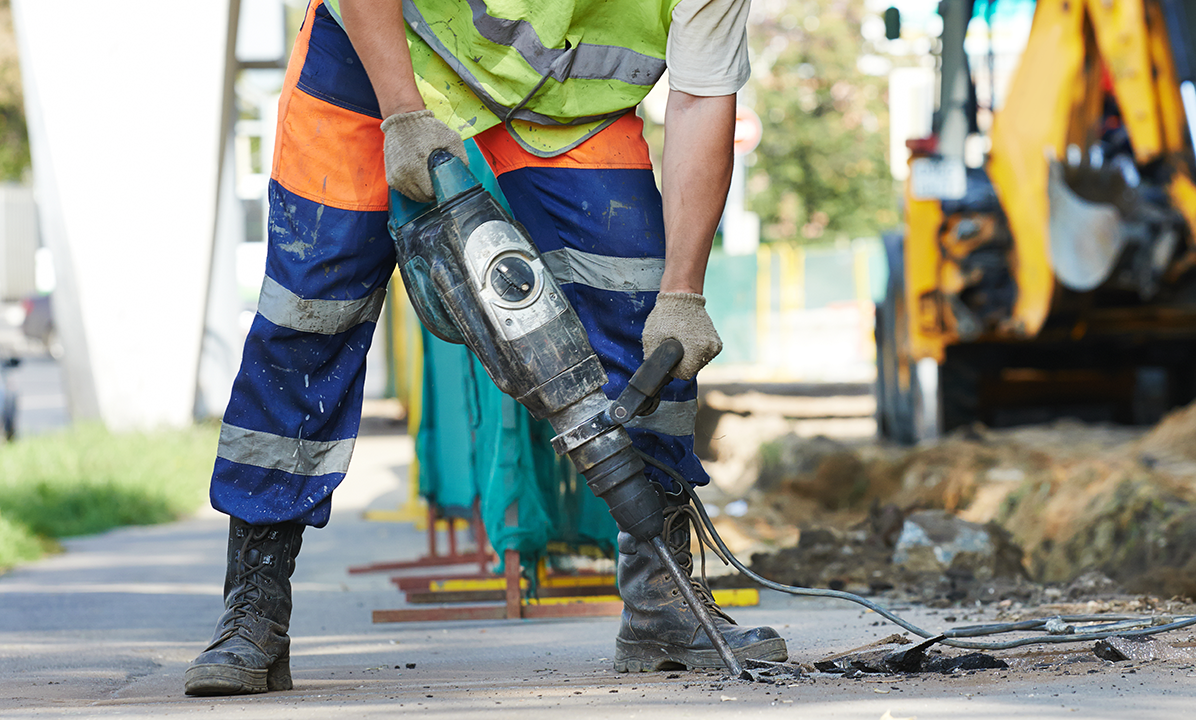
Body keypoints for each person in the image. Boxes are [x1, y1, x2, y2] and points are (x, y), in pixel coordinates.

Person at [183, 0, 788, 697]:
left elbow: (700, 98)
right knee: (310, 316)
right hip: (377, 57)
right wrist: (402, 113)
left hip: (559, 105)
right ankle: (253, 607)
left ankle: (664, 599)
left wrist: (682, 295)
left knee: (641, 307)